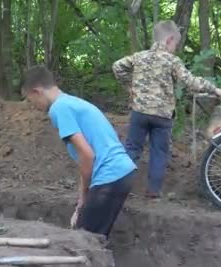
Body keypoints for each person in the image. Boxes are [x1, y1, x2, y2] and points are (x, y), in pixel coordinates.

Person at [112, 20, 221, 198]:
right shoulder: (172, 60)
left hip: (139, 112)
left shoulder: (139, 56)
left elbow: (117, 66)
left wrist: (130, 87)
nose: (175, 48)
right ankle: (153, 192)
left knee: (132, 149)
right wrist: (215, 89)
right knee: (159, 152)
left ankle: (117, 187)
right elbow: (190, 82)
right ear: (169, 40)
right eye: (176, 44)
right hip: (162, 116)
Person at [21, 65, 136, 239]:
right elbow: (86, 157)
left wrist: (84, 196)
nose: (34, 106)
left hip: (109, 176)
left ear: (37, 91)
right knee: (96, 238)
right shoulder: (73, 103)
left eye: (30, 101)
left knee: (84, 240)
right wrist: (82, 200)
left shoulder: (59, 109)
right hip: (123, 174)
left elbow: (87, 154)